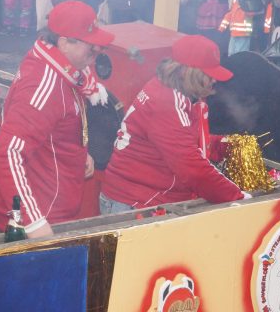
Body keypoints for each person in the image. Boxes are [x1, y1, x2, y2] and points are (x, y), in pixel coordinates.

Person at [0, 0, 115, 238]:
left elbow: (54, 126)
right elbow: (7, 153)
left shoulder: (63, 69)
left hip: (53, 207)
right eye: (90, 45)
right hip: (42, 217)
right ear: (64, 42)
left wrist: (79, 152)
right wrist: (33, 222)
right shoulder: (45, 85)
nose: (97, 51)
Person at [100, 35, 246, 215]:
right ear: (187, 72)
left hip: (134, 198)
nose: (214, 80)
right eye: (209, 75)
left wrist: (225, 145)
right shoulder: (167, 103)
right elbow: (192, 170)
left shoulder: (166, 89)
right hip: (135, 203)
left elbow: (182, 139)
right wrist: (238, 198)